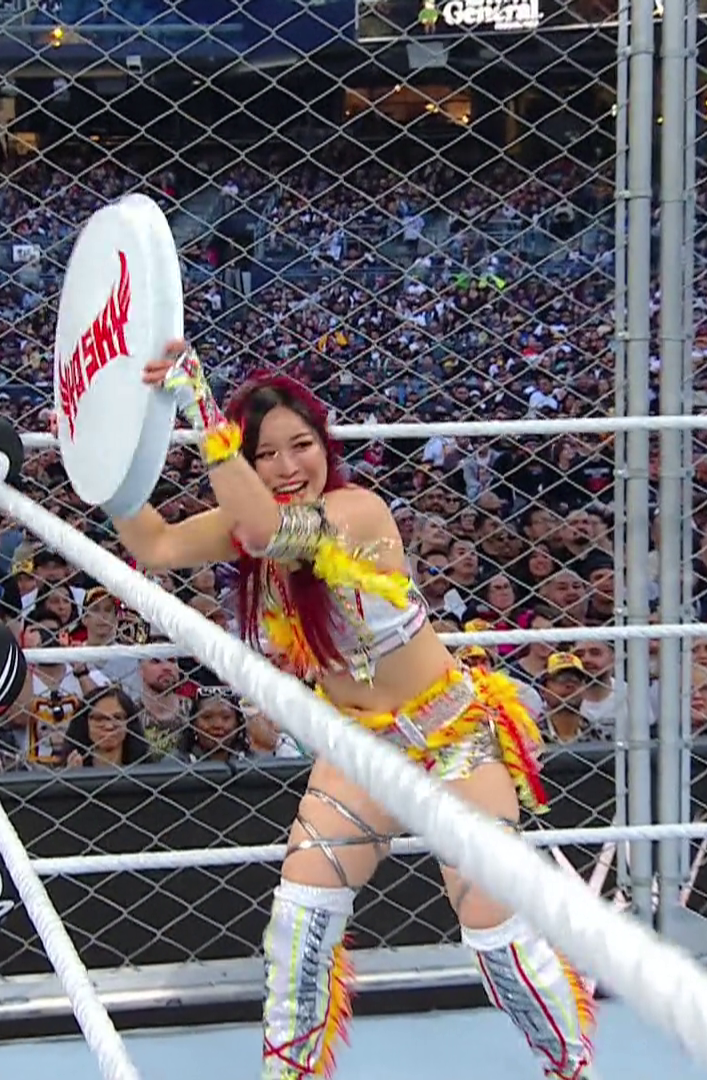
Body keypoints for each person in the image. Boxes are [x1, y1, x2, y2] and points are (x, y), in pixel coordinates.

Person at [108, 344, 596, 1080]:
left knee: (494, 928)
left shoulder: (356, 511)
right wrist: (105, 458)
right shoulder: (249, 520)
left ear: (325, 446)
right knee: (300, 917)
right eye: (264, 454)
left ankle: (571, 1067)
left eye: (300, 445)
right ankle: (291, 1073)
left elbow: (270, 533)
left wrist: (203, 413)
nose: (286, 466)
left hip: (449, 739)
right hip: (359, 749)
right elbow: (155, 543)